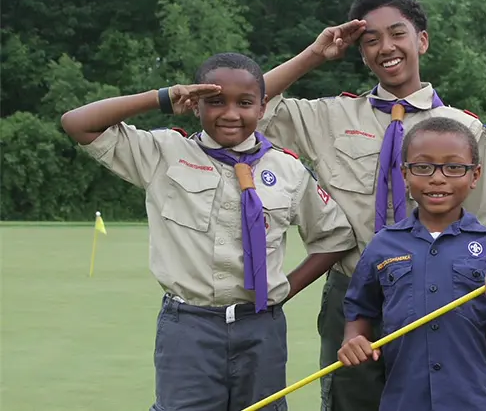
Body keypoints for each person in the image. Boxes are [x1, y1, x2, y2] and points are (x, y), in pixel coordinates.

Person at [60, 52, 358, 411]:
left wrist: (284, 290)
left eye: (245, 103)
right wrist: (162, 97)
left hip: (261, 328)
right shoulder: (163, 153)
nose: (230, 113)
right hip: (188, 326)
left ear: (262, 108)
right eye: (215, 102)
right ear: (195, 105)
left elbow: (336, 236)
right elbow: (77, 123)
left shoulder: (288, 169)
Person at [258, 0, 486, 411]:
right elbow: (249, 107)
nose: (385, 48)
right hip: (352, 295)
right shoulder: (331, 115)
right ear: (360, 52)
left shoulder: (461, 128)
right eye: (371, 40)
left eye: (397, 34)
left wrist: (482, 317)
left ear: (422, 41)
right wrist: (313, 56)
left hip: (441, 293)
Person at [338, 117, 486, 411]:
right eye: (423, 167)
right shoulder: (382, 246)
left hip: (472, 402)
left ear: (475, 175)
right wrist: (353, 340)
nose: (438, 178)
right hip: (403, 401)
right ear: (404, 173)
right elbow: (360, 313)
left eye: (454, 167)